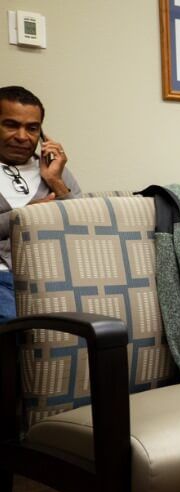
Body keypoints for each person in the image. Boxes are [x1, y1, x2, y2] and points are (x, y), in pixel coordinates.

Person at [0, 86, 81, 323]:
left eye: (32, 128)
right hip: (3, 277)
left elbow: (81, 228)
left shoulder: (55, 171)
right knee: (16, 328)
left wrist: (55, 180)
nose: (23, 137)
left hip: (52, 276)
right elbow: (26, 218)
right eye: (11, 125)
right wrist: (25, 217)